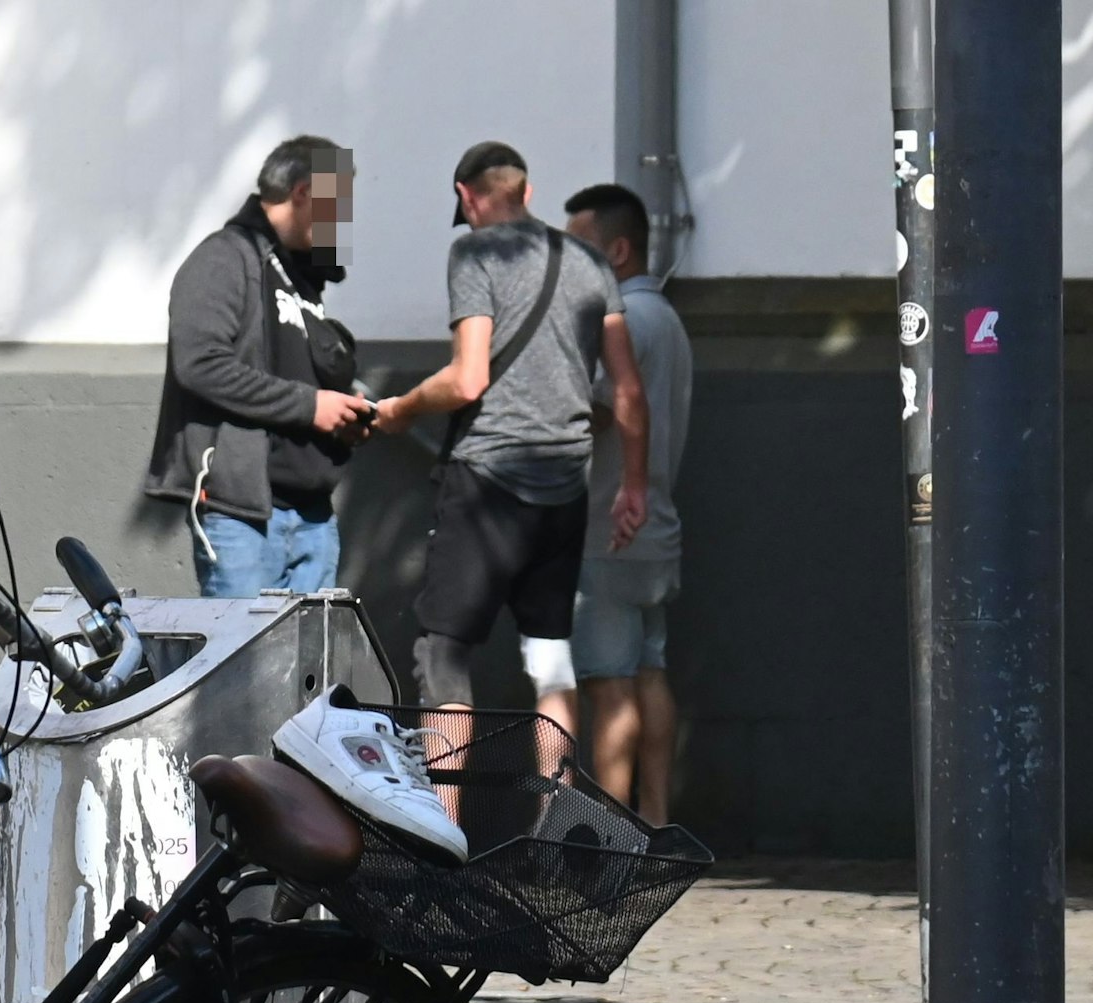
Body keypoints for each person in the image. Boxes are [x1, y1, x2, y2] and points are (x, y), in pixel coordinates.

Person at [373, 143, 650, 748]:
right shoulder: (592, 263)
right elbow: (627, 390)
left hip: (486, 483)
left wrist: (401, 407)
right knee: (550, 659)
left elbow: (467, 378)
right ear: (526, 190)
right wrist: (633, 486)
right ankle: (553, 830)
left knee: (443, 655)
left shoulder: (474, 252)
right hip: (565, 489)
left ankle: (443, 832)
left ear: (468, 196)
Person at [144, 136, 371, 597]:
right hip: (241, 515)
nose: (342, 220)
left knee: (312, 667)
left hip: (313, 517)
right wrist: (310, 406)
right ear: (305, 193)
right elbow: (200, 363)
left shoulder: (302, 276)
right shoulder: (223, 257)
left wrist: (348, 406)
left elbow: (297, 376)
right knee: (246, 666)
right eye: (338, 204)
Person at [555, 183, 694, 825]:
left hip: (606, 525)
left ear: (617, 249)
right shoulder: (664, 317)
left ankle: (609, 835)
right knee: (649, 670)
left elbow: (603, 411)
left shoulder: (624, 322)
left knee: (609, 681)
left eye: (580, 247)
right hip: (656, 524)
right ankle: (656, 818)